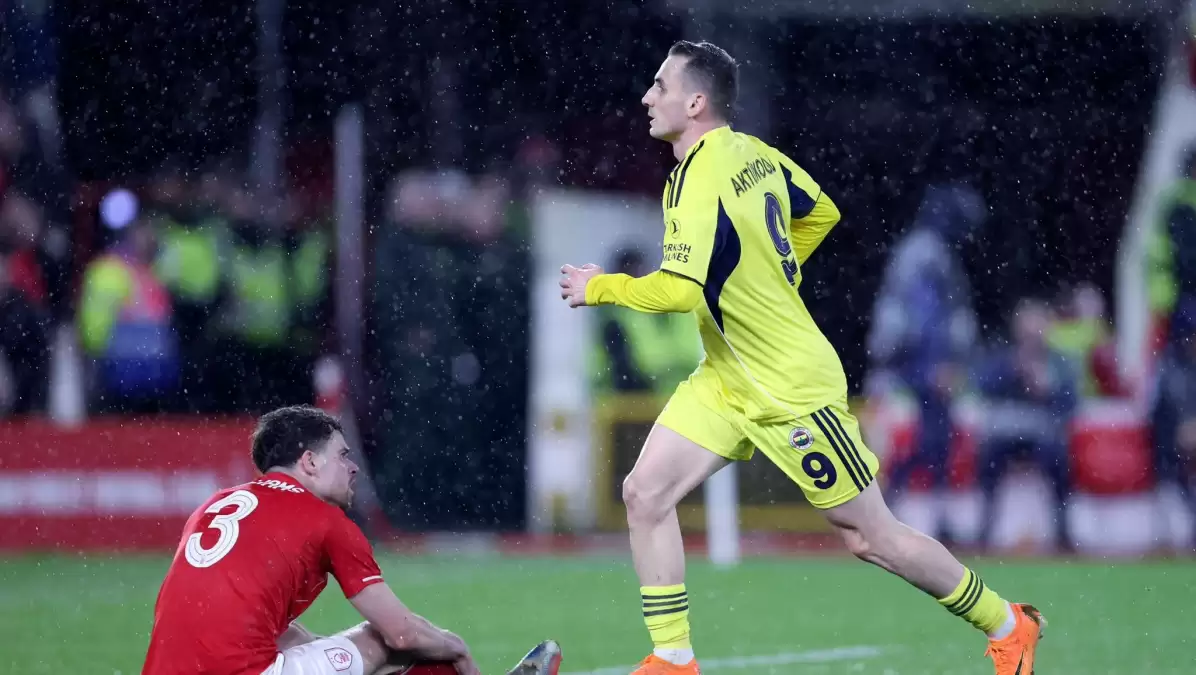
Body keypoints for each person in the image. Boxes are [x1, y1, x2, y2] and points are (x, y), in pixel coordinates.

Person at [557, 41, 1043, 675]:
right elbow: (820, 212)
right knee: (644, 494)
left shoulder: (696, 177)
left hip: (791, 388)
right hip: (728, 378)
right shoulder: (752, 153)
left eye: (660, 86)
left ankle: (1009, 625)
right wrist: (769, 272)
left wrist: (600, 287)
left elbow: (679, 290)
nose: (648, 97)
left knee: (871, 537)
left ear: (695, 102)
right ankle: (673, 659)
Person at [142, 405, 561, 675]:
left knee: (307, 642)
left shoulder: (215, 504)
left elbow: (261, 629)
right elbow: (400, 633)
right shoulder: (325, 520)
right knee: (386, 641)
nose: (353, 467)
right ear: (309, 461)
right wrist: (459, 649)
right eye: (343, 455)